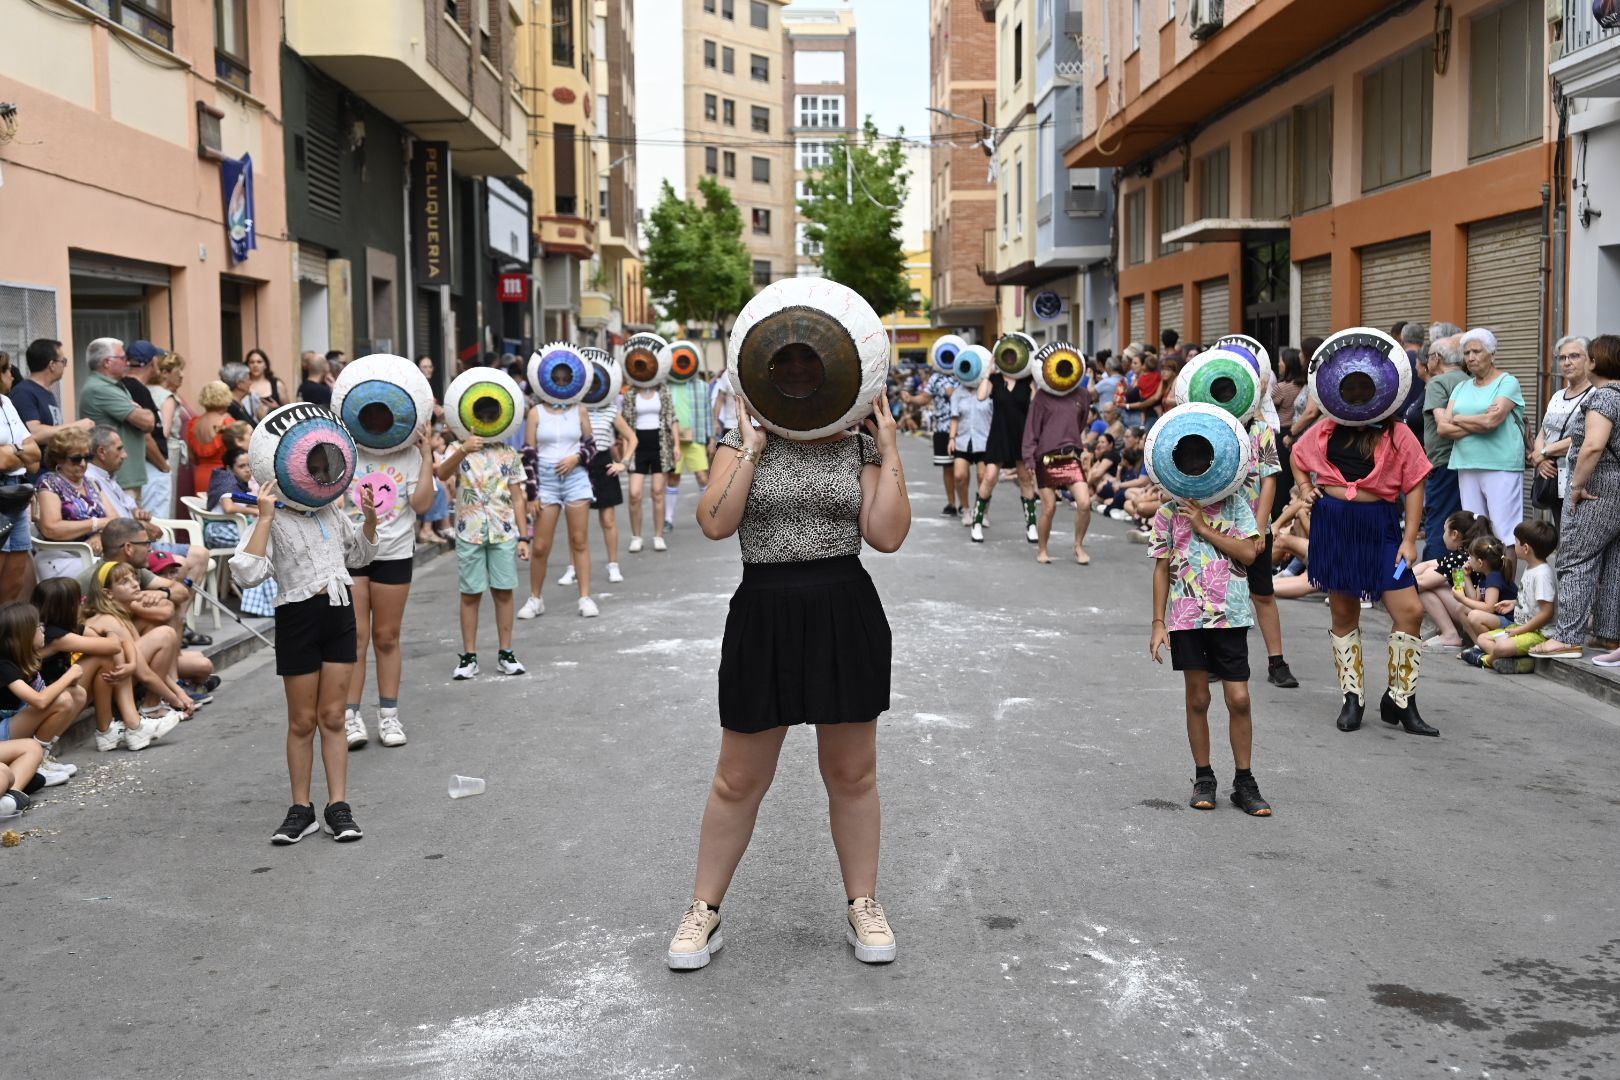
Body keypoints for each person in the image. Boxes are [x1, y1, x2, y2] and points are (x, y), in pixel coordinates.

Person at [667, 383, 910, 973]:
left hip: (843, 607)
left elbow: (887, 535)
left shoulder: (861, 446)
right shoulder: (741, 438)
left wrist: (890, 447)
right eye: (790, 365)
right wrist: (751, 446)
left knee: (852, 773)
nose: (802, 376)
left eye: (813, 365)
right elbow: (715, 522)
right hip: (764, 610)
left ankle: (864, 903)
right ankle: (704, 909)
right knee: (737, 778)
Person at [232, 479, 378, 845]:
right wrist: (264, 517)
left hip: (340, 613)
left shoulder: (331, 511)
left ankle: (338, 806)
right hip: (297, 619)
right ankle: (301, 808)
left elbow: (359, 556)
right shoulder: (273, 518)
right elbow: (247, 574)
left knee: (333, 716)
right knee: (301, 721)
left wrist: (371, 519)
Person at [1291, 413, 1436, 736]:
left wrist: (1410, 539)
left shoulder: (1397, 432)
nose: (1358, 392)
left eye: (1364, 386)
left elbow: (1415, 482)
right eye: (1351, 385)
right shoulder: (1328, 427)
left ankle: (1401, 699)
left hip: (1379, 527)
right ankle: (1352, 698)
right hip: (1334, 526)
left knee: (1410, 611)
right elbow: (1297, 454)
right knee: (1343, 612)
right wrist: (1304, 487)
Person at [1146, 465, 1271, 815]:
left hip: (1229, 616)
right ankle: (1204, 777)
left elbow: (1248, 553)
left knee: (1240, 698)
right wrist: (1159, 622)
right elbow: (1161, 568)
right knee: (1198, 698)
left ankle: (1244, 781)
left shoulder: (1235, 506)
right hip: (1187, 616)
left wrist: (1202, 526)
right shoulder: (1167, 513)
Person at [343, 433, 437, 750]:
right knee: (355, 636)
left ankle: (388, 715)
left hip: (394, 551)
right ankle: (350, 716)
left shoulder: (409, 454)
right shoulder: (346, 448)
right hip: (352, 551)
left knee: (386, 636)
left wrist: (425, 455)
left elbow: (423, 503)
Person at [1532, 335, 1620, 662]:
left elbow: (1593, 445)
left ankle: (1568, 637)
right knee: (1613, 560)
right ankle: (1609, 634)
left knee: (1575, 558)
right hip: (1617, 486)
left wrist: (1577, 485)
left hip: (1600, 484)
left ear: (1596, 362)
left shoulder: (1603, 399)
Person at [438, 433, 530, 680]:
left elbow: (518, 496)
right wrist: (463, 450)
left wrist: (524, 537)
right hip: (469, 531)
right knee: (470, 593)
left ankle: (506, 653)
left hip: (503, 530)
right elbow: (442, 474)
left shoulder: (508, 452)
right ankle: (469, 656)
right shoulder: (457, 447)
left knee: (504, 591)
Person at [79, 564, 191, 747]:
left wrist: (179, 693)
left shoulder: (121, 616)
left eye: (134, 578)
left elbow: (141, 665)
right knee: (165, 634)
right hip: (98, 686)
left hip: (114, 680)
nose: (135, 584)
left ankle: (143, 714)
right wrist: (175, 700)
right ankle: (143, 715)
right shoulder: (110, 620)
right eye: (125, 582)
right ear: (108, 594)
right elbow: (144, 674)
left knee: (163, 635)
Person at [1435, 328, 1526, 550]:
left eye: (1477, 351)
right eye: (1466, 353)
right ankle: (1480, 584)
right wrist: (1479, 421)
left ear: (1492, 354)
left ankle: (1504, 585)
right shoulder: (1461, 386)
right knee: (1475, 531)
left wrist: (1459, 417)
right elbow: (1443, 429)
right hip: (1467, 463)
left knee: (1505, 533)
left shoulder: (1507, 382)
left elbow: (1492, 422)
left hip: (1500, 464)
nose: (1471, 357)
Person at [518, 399, 598, 620]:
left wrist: (577, 458)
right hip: (546, 477)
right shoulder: (536, 412)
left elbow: (592, 446)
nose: (560, 382)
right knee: (541, 546)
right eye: (556, 378)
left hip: (576, 476)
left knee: (579, 540)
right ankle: (536, 598)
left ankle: (585, 597)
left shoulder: (580, 409)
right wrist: (532, 493)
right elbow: (528, 453)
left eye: (565, 378)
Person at [559, 390, 637, 588]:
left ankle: (613, 565)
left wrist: (623, 463)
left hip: (603, 463)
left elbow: (631, 438)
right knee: (576, 524)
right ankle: (573, 567)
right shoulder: (573, 409)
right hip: (579, 462)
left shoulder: (610, 410)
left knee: (608, 520)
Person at [1462, 521, 1559, 672]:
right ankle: (1520, 661)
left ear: (1526, 548)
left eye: (1516, 542)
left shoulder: (1542, 575)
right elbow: (1532, 600)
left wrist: (1519, 631)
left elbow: (1547, 612)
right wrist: (1514, 603)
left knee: (1500, 646)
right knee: (1482, 639)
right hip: (1520, 628)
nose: (1514, 546)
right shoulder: (1531, 568)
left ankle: (1486, 660)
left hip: (1538, 634)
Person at [1021, 373, 1094, 566]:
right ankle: (1042, 549)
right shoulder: (1042, 396)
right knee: (1049, 507)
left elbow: (1081, 421)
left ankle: (1078, 546)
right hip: (1046, 459)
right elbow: (1031, 428)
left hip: (1071, 457)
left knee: (1085, 503)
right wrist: (1029, 459)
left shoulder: (1082, 394)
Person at [76, 338, 155, 499]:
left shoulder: (114, 386)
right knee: (125, 523)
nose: (127, 363)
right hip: (118, 479)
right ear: (107, 362)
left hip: (122, 476)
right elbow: (147, 421)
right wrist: (140, 411)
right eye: (123, 358)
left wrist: (141, 413)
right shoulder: (101, 388)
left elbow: (147, 421)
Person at [1533, 336, 1593, 529]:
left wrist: (1544, 453)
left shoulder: (1595, 394)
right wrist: (1540, 458)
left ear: (1589, 359)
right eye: (1562, 357)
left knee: (1578, 529)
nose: (1567, 362)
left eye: (1574, 356)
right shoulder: (1558, 395)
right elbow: (1543, 431)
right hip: (1553, 474)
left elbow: (1581, 438)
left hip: (1579, 475)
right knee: (1560, 528)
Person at [974, 367, 1038, 543]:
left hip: (1021, 435)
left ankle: (1031, 525)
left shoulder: (1028, 380)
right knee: (990, 477)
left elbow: (1035, 405)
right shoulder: (995, 379)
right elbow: (980, 396)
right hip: (999, 434)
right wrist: (988, 372)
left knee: (1026, 479)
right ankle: (977, 522)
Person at [1419, 335, 1469, 561]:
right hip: (1467, 460)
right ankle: (1457, 576)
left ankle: (1433, 571)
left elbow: (1442, 424)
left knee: (1440, 520)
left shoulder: (1438, 383)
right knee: (1462, 521)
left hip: (1444, 461)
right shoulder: (1469, 380)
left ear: (1436, 358)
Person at [0, 353, 41, 603]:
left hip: (16, 491)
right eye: (6, 370)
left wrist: (11, 451)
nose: (11, 375)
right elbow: (2, 461)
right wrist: (19, 452)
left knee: (15, 575)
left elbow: (35, 455)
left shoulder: (6, 401)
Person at [622, 381, 677, 553]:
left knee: (657, 492)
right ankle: (636, 536)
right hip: (637, 446)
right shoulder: (630, 393)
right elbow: (625, 424)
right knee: (634, 494)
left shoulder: (663, 391)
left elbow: (672, 418)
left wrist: (676, 445)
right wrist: (626, 454)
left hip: (660, 446)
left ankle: (658, 536)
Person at [122, 341, 174, 518]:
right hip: (150, 466)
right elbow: (145, 436)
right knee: (156, 521)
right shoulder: (136, 388)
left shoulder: (129, 386)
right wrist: (163, 465)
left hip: (143, 466)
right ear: (152, 362)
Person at [11, 339, 94, 447]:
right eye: (63, 361)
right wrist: (75, 427)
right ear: (52, 365)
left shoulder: (45, 392)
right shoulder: (23, 393)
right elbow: (34, 433)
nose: (65, 366)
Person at [666, 373, 712, 531]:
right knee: (673, 478)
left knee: (702, 477)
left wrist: (711, 438)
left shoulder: (702, 387)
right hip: (673, 441)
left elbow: (708, 414)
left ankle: (709, 517)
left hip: (696, 438)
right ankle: (668, 519)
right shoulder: (667, 386)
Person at [948, 376, 993, 536]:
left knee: (983, 477)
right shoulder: (957, 394)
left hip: (984, 441)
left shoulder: (989, 390)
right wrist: (951, 438)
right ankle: (965, 509)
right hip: (962, 440)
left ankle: (983, 511)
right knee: (960, 475)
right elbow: (955, 418)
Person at [922, 367, 962, 517]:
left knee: (961, 470)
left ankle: (965, 505)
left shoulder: (964, 373)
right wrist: (911, 399)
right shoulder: (935, 378)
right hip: (942, 428)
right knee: (947, 468)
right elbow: (925, 397)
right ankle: (952, 504)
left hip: (963, 429)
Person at [186, 381, 235, 493]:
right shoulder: (227, 422)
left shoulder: (194, 423)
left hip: (200, 475)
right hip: (223, 476)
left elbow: (192, 456)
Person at [244, 349, 287, 419]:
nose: (255, 365)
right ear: (247, 365)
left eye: (259, 362)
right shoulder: (243, 385)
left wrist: (277, 408)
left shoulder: (277, 385)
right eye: (252, 362)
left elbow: (289, 410)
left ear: (265, 365)